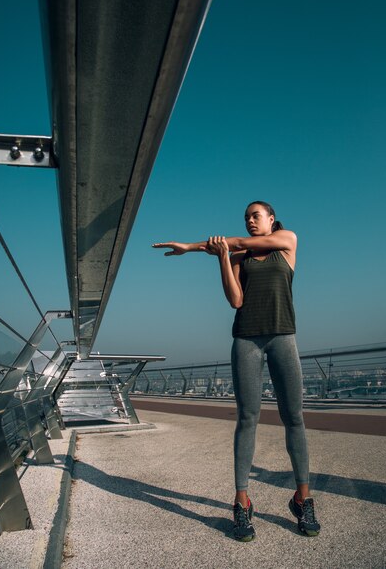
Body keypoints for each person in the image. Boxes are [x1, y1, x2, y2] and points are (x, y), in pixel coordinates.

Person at [153, 201, 320, 540]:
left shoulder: (287, 241)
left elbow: (239, 242)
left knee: (294, 417)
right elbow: (235, 300)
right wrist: (221, 259)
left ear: (271, 220)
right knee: (247, 418)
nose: (250, 221)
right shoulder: (238, 256)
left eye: (255, 216)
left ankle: (303, 498)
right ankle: (241, 501)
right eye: (246, 217)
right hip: (246, 340)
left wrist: (191, 246)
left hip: (282, 337)